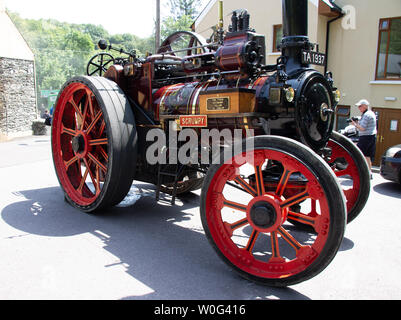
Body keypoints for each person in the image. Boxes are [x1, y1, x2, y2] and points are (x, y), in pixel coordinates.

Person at [351, 99, 377, 178]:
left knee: (359, 155)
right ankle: (369, 173)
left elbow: (362, 128)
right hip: (371, 136)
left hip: (366, 137)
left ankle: (359, 173)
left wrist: (355, 124)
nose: (359, 108)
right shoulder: (370, 113)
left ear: (365, 106)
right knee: (367, 156)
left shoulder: (366, 115)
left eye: (360, 106)